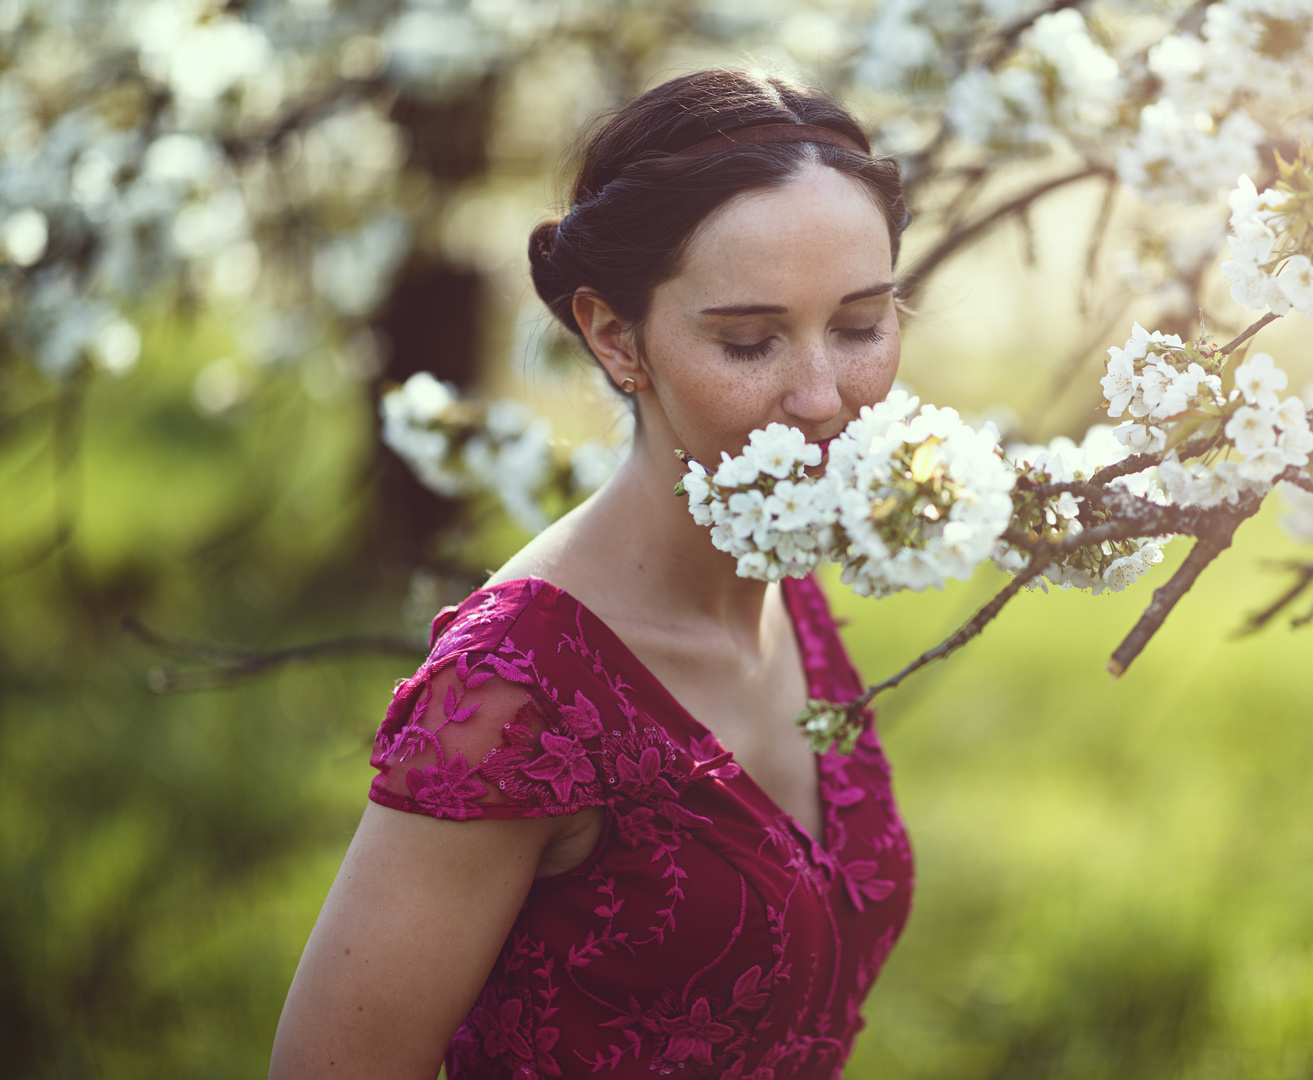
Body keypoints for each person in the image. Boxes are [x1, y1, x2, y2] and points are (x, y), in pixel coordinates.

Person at [270, 68, 915, 1079]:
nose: (824, 396)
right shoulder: (512, 694)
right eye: (750, 341)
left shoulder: (784, 578)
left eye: (862, 325)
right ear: (617, 339)